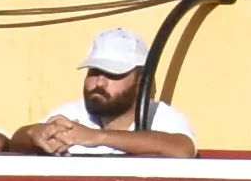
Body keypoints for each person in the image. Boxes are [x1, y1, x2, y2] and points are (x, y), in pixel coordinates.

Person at [22, 22, 205, 157]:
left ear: (141, 80)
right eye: (94, 71)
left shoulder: (159, 115)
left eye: (113, 74)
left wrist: (95, 137)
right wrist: (35, 134)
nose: (100, 82)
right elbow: (14, 142)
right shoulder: (72, 113)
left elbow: (182, 148)